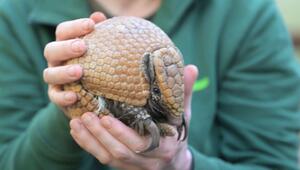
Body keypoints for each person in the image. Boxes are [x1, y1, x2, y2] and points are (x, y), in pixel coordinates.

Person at [0, 0, 300, 169]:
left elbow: (273, 162)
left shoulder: (247, 14)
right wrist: (69, 104)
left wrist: (184, 164)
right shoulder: (12, 16)